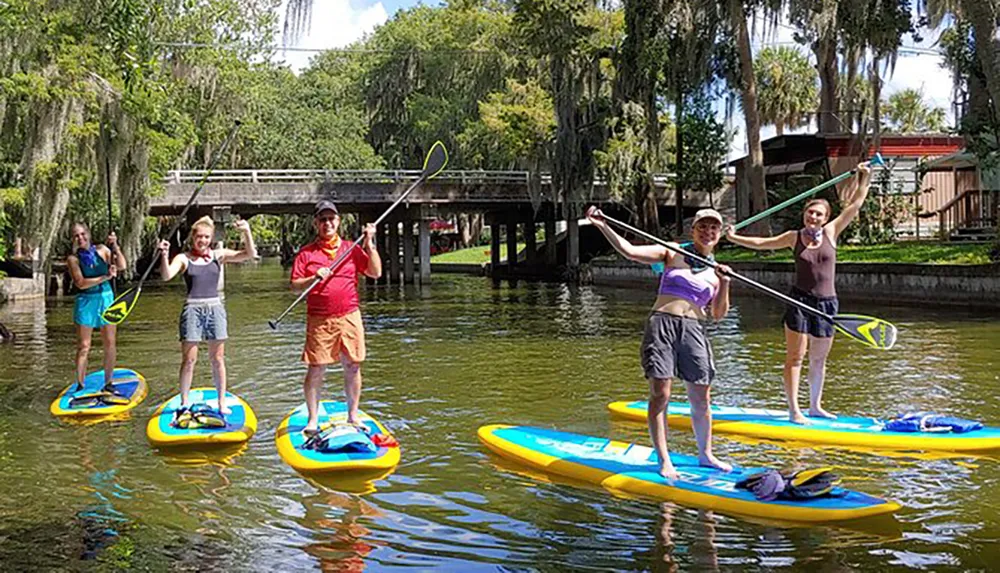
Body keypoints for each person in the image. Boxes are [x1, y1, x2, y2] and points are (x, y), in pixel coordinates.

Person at [587, 206, 733, 479]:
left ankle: (706, 454)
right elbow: (630, 250)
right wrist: (602, 225)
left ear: (718, 234)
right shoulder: (672, 251)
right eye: (702, 226)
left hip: (694, 329)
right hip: (662, 324)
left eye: (713, 228)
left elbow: (717, 315)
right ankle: (664, 458)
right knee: (661, 393)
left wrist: (724, 283)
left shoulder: (716, 271)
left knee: (702, 397)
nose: (707, 231)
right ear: (694, 230)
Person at [726, 162, 872, 424]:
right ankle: (795, 410)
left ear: (825, 218)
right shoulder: (793, 237)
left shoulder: (831, 232)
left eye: (818, 214)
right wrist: (735, 238)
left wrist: (865, 177)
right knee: (796, 357)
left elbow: (855, 205)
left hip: (827, 304)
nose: (813, 217)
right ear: (804, 215)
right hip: (798, 301)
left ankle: (815, 406)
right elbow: (761, 244)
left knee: (819, 358)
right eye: (809, 213)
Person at [290, 200, 381, 436]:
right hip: (319, 319)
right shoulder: (306, 253)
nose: (327, 223)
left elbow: (375, 272)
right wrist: (313, 277)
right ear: (315, 223)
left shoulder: (352, 248)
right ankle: (312, 419)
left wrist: (370, 244)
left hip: (350, 315)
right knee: (316, 368)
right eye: (322, 219)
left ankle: (353, 415)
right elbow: (294, 285)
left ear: (338, 221)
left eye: (331, 219)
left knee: (352, 365)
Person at [158, 215, 256, 416]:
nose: (202, 241)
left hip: (215, 309)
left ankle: (222, 402)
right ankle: (184, 401)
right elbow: (167, 275)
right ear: (192, 238)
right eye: (199, 237)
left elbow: (249, 254)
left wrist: (247, 231)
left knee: (218, 358)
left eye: (206, 237)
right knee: (189, 360)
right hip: (193, 309)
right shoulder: (183, 258)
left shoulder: (218, 255)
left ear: (211, 238)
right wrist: (164, 254)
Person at [67, 223, 127, 392]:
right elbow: (80, 283)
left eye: (83, 234)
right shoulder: (73, 259)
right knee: (84, 345)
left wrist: (115, 245)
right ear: (73, 239)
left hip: (106, 299)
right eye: (76, 236)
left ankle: (108, 382)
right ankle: (80, 384)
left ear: (89, 233)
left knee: (110, 342)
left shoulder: (103, 250)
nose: (81, 238)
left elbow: (122, 265)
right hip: (86, 302)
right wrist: (104, 276)